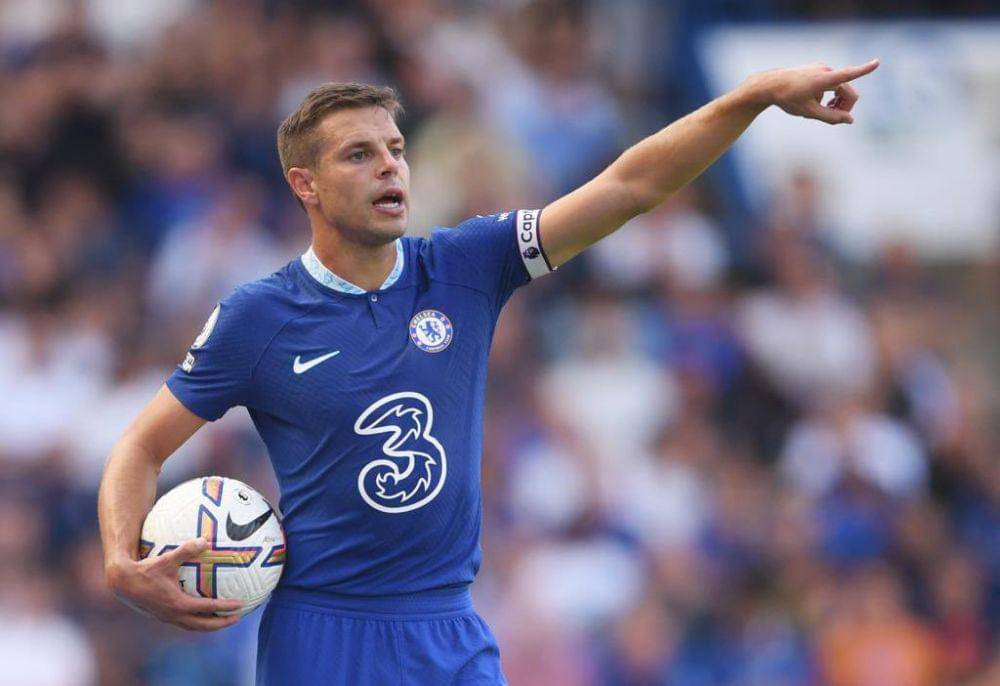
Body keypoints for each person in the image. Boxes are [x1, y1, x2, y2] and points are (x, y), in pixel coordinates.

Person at [98, 60, 880, 684]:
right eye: (359, 155)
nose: (389, 167)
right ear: (305, 184)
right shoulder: (258, 318)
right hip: (323, 633)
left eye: (396, 149)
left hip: (448, 629)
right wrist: (121, 562)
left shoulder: (465, 264)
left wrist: (749, 98)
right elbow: (139, 447)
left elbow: (629, 187)